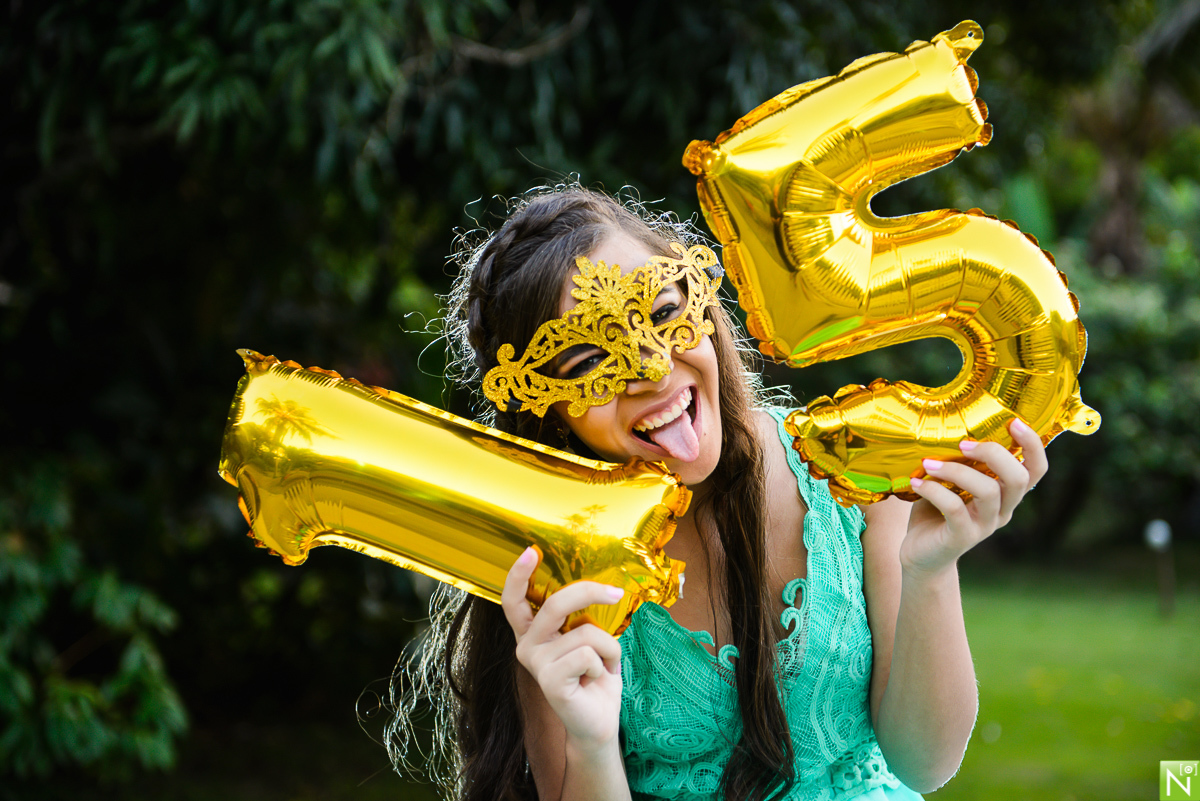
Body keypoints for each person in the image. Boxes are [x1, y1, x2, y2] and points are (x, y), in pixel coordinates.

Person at [388, 184, 1047, 801]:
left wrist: (928, 569)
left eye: (662, 311)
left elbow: (925, 760)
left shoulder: (848, 466)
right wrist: (590, 741)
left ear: (699, 298)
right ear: (549, 408)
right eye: (588, 360)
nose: (649, 370)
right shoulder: (560, 570)